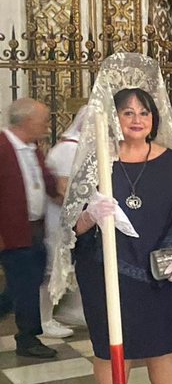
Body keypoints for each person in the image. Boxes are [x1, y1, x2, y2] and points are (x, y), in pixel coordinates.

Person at [73, 88, 172, 384]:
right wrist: (89, 215)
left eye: (143, 113)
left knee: (165, 347)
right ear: (112, 119)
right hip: (108, 271)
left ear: (154, 119)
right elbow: (72, 224)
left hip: (165, 272)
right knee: (112, 346)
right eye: (127, 113)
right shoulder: (96, 162)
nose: (136, 120)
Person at [0, 99, 61, 360]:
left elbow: (43, 180)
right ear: (26, 121)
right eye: (43, 120)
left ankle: (27, 335)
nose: (47, 125)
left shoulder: (32, 146)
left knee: (28, 282)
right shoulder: (2, 147)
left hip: (34, 229)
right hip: (11, 232)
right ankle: (27, 338)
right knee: (22, 286)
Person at [41, 105, 88, 336]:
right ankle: (45, 319)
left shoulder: (78, 147)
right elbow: (64, 191)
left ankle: (73, 309)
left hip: (73, 219)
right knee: (54, 269)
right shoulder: (70, 150)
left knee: (72, 265)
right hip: (60, 220)